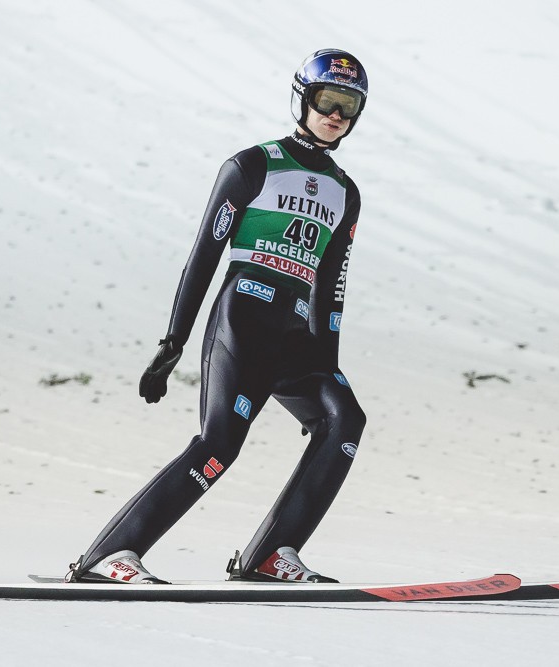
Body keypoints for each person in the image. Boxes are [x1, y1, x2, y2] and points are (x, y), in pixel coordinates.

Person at [66, 49, 369, 584]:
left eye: (349, 106)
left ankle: (272, 556)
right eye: (327, 100)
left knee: (345, 417)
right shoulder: (252, 165)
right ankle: (111, 556)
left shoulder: (346, 193)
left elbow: (332, 289)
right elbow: (204, 255)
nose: (336, 115)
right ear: (302, 99)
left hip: (296, 336)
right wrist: (173, 341)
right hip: (244, 321)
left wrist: (329, 365)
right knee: (219, 445)